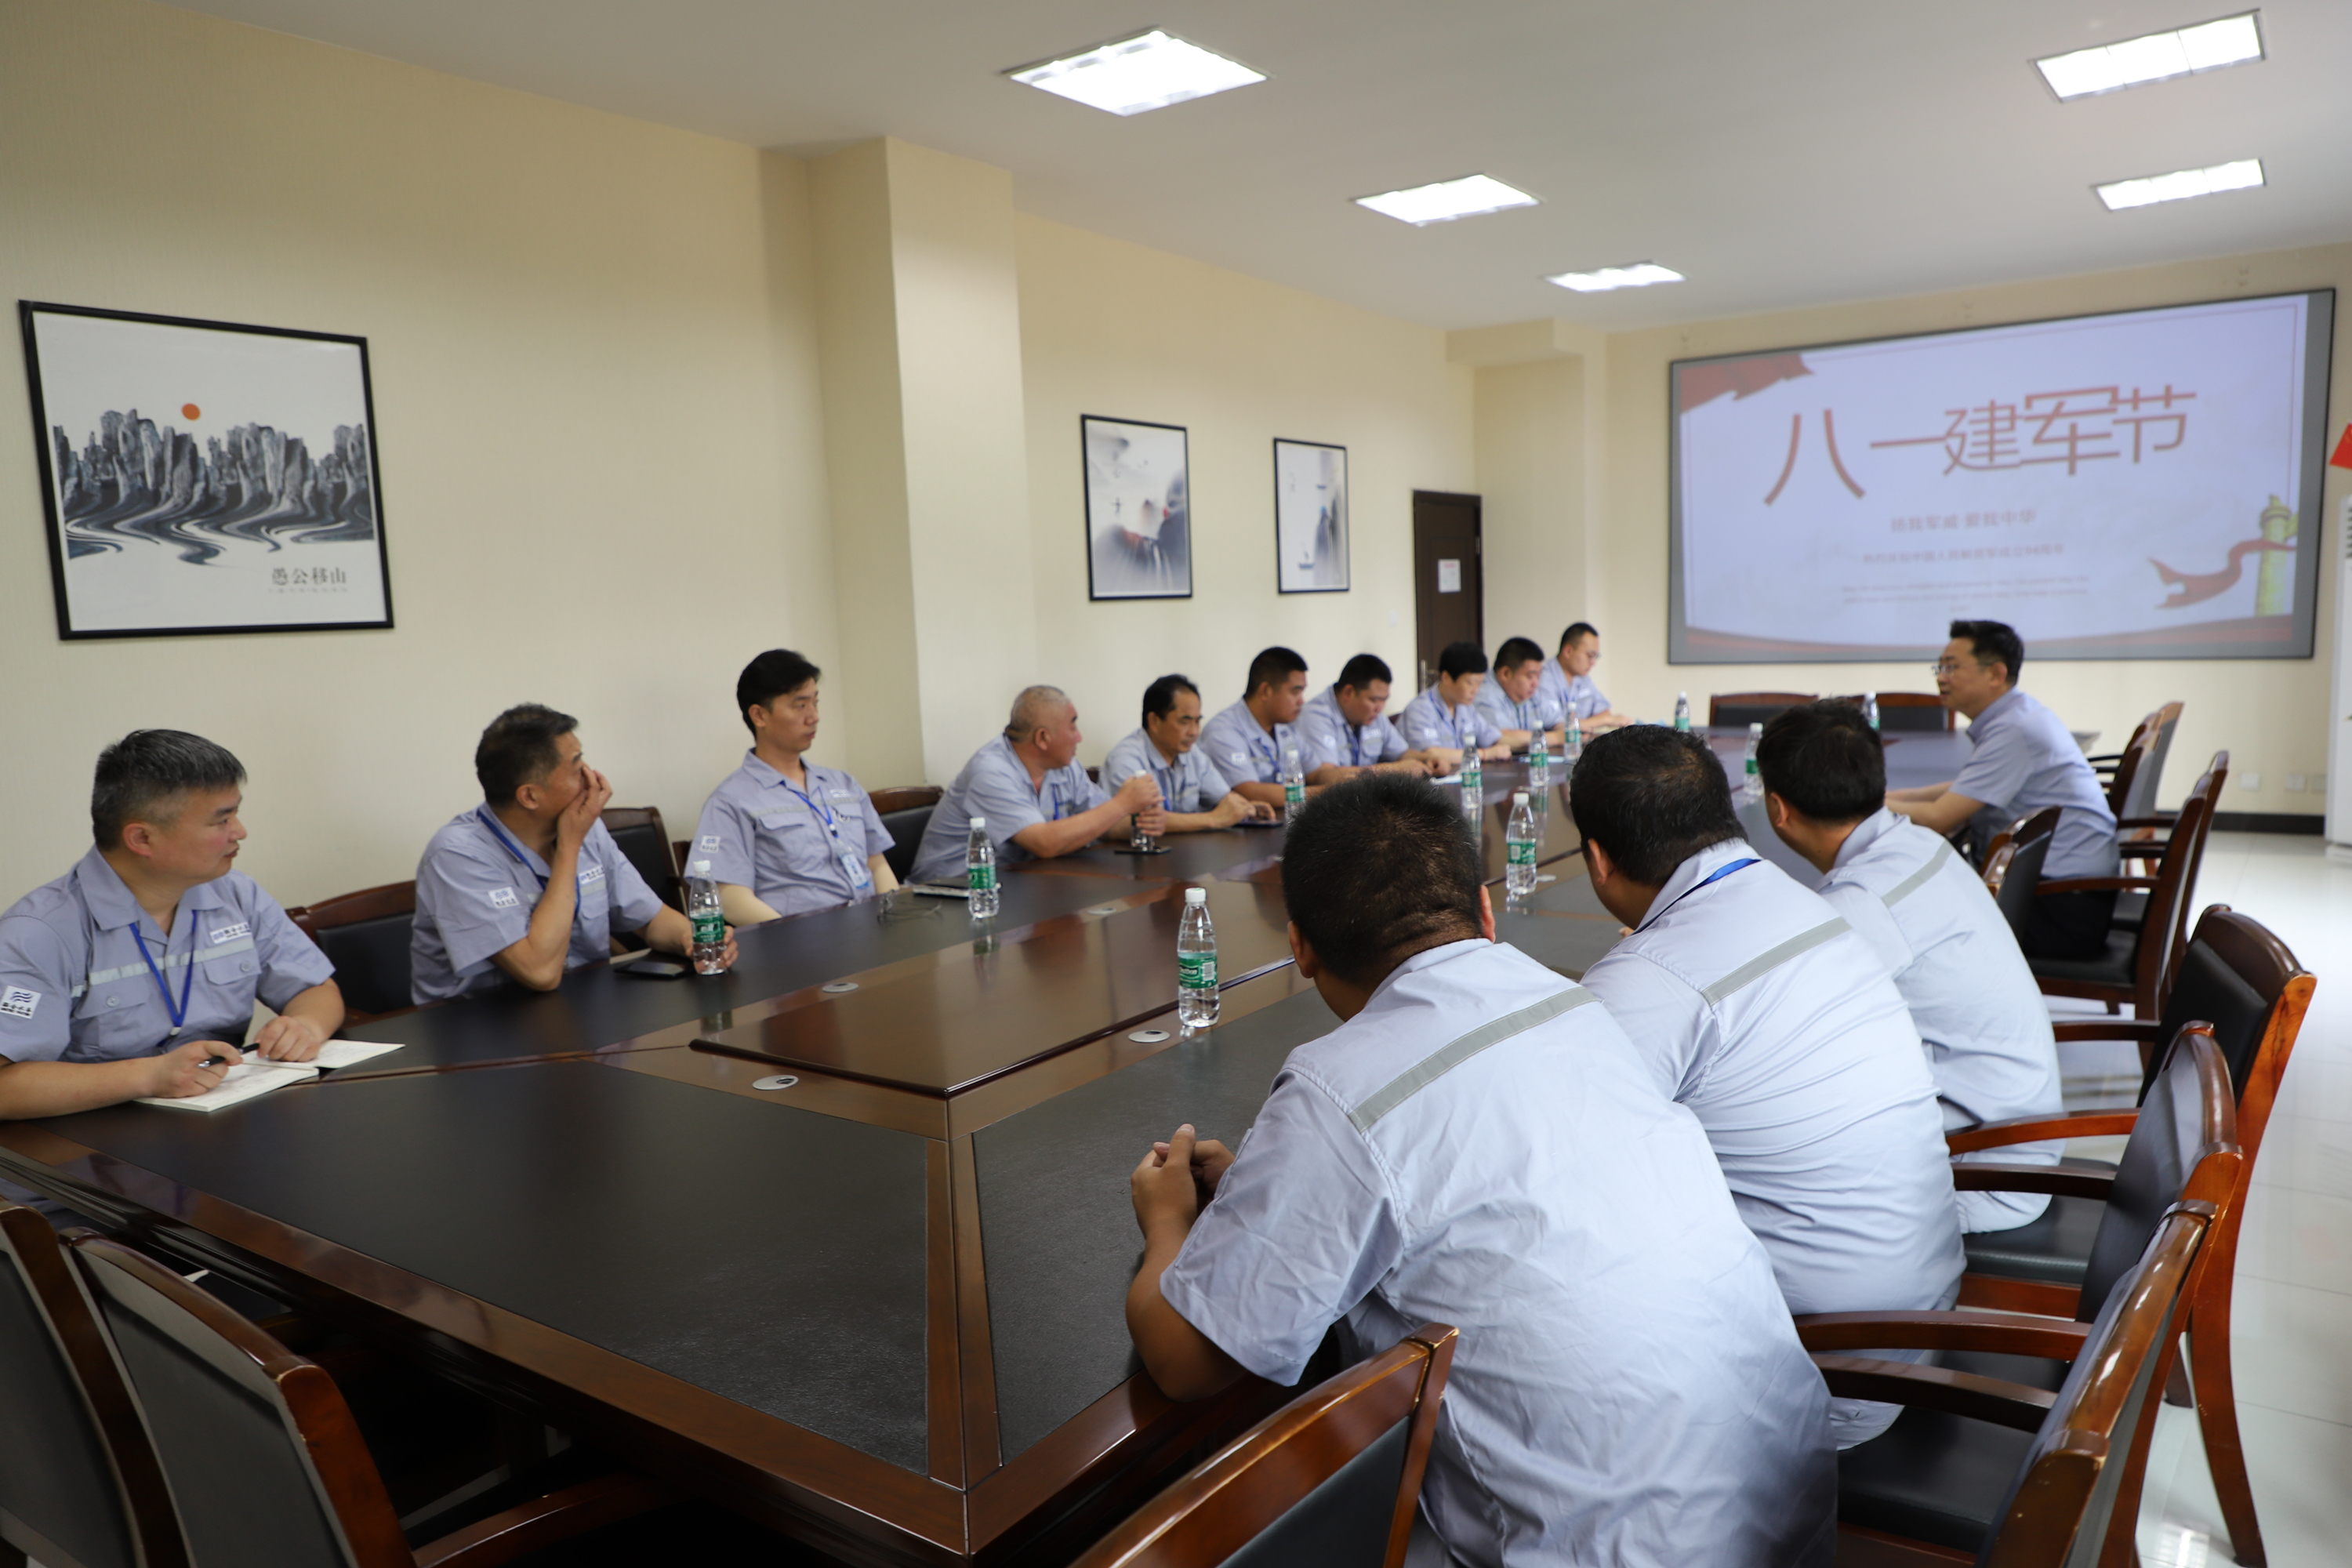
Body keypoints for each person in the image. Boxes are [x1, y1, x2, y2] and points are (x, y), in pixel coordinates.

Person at [1124, 773, 1835, 1564]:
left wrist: (1168, 1222)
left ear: (1300, 948)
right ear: (1485, 912)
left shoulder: (1339, 1088)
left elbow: (1185, 1362)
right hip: (1787, 1507)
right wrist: (1268, 1187)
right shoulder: (1575, 1005)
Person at [1570, 725, 1963, 1447]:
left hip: (1820, 1366)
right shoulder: (1814, 905)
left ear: (1597, 859)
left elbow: (1560, 1171)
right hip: (1920, 1313)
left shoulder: (1650, 981)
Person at [1759, 702, 2063, 1233]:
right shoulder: (1919, 843)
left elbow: (1769, 1027)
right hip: (2014, 1129)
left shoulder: (1861, 905)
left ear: (1777, 809)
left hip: (1979, 1169)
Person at [0, 731, 344, 1118]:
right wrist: (148, 1076)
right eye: (222, 820)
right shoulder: (39, 932)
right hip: (93, 1138)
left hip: (223, 1118)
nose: (240, 832)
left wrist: (305, 1026)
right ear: (143, 838)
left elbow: (315, 987)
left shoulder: (236, 894)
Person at [411, 705, 733, 1004]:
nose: (591, 777)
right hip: (483, 1022)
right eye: (577, 767)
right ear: (530, 796)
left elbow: (650, 918)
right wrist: (569, 847)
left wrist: (692, 939)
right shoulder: (456, 855)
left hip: (584, 1004)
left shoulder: (584, 828)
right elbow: (540, 973)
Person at [1886, 620, 2120, 959]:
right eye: (1940, 667)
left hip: (2060, 910)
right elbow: (1963, 790)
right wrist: (1885, 798)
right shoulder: (2018, 715)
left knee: (1907, 920)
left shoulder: (2013, 731)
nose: (1941, 678)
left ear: (1996, 674)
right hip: (2065, 894)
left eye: (1951, 667)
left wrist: (1862, 808)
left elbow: (1939, 818)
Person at [691, 649, 898, 926]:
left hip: (873, 929)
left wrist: (895, 920)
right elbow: (730, 899)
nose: (814, 717)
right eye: (800, 706)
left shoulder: (843, 784)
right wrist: (796, 939)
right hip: (799, 939)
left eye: (815, 703)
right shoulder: (731, 801)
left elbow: (877, 864)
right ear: (759, 716)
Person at [909, 686, 1163, 882]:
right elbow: (1044, 843)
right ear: (1042, 738)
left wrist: (1140, 825)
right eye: (1073, 726)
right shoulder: (990, 771)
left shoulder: (1065, 766)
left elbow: (1103, 823)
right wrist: (1122, 804)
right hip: (948, 893)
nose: (1079, 737)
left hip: (1018, 882)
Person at [1100, 675, 1275, 830]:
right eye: (1185, 722)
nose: (1194, 732)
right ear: (1154, 721)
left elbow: (1223, 799)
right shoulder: (1126, 759)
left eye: (1197, 722)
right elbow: (1140, 822)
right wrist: (1212, 819)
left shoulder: (1192, 753)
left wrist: (1245, 809)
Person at [1199, 648, 1316, 808]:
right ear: (1266, 691)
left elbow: (1317, 771)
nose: (1301, 701)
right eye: (1295, 692)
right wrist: (1325, 793)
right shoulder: (1222, 731)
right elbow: (1250, 792)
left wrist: (1346, 781)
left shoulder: (1286, 727)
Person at [1294, 654, 1437, 781]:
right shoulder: (1315, 717)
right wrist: (1394, 769)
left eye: (1384, 700)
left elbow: (1401, 753)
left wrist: (1428, 759)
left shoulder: (1374, 715)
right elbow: (1326, 776)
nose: (1380, 708)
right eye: (1374, 700)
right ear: (1348, 692)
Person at [1398, 641, 1510, 768]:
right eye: (1470, 683)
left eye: (1480, 683)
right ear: (1446, 678)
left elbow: (1493, 737)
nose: (1476, 690)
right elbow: (1432, 755)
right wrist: (1484, 754)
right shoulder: (1420, 709)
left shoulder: (1465, 706)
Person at [1474, 635, 1566, 750]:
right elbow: (1502, 738)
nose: (1536, 683)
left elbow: (1559, 723)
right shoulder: (1485, 696)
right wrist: (1556, 738)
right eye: (1530, 676)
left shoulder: (1532, 692)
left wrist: (1561, 733)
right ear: (1506, 674)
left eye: (1539, 676)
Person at [1536, 622, 1628, 731]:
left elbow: (1605, 712)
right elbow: (1559, 728)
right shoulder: (1543, 678)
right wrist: (1604, 721)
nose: (1593, 662)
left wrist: (1585, 725)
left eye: (1595, 657)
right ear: (1568, 652)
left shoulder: (1583, 678)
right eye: (1590, 656)